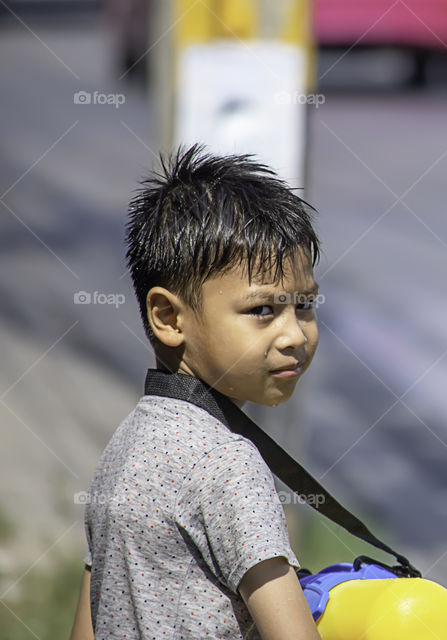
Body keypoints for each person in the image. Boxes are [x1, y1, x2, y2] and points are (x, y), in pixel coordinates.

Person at [69, 144, 324, 639]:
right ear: (168, 318)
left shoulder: (125, 449)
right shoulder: (228, 464)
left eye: (305, 305)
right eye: (262, 310)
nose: (295, 334)